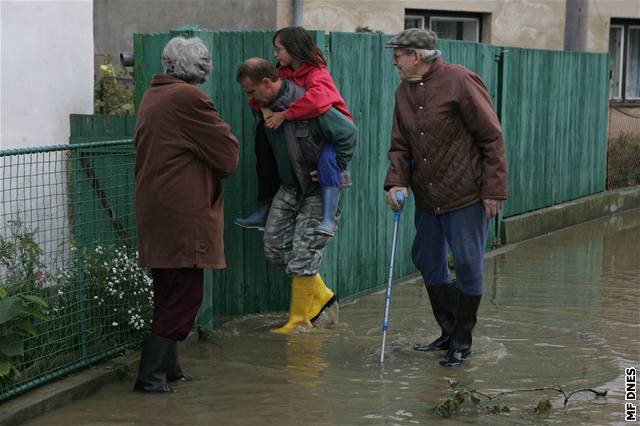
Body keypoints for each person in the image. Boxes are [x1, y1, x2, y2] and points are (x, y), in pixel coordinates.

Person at [383, 28, 508, 368]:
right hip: (428, 194)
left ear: (417, 56)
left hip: (467, 193)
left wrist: (494, 191)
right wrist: (396, 182)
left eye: (398, 53)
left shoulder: (461, 82)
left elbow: (491, 138)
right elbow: (400, 145)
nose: (393, 59)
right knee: (425, 257)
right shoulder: (403, 92)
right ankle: (448, 331)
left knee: (467, 263)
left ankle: (462, 342)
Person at [133, 36, 239, 392]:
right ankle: (151, 378)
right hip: (182, 212)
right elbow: (227, 155)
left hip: (156, 209)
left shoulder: (154, 94)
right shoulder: (188, 97)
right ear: (200, 67)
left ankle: (169, 367)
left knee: (168, 290)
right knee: (185, 294)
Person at [236, 58, 357, 333]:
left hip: (318, 190)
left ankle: (298, 322)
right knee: (273, 248)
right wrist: (262, 105)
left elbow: (349, 133)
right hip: (290, 188)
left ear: (267, 83)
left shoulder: (309, 103)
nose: (249, 98)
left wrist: (336, 165)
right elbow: (259, 104)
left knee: (303, 254)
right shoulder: (264, 105)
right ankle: (322, 296)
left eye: (251, 92)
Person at [234, 26, 353, 237]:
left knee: (327, 162)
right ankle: (265, 206)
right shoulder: (283, 72)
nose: (275, 54)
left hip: (328, 135)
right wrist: (263, 108)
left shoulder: (317, 74)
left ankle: (327, 217)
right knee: (262, 138)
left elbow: (317, 102)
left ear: (294, 48)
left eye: (279, 49)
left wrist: (285, 115)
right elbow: (267, 95)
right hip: (298, 134)